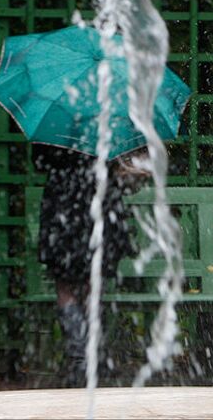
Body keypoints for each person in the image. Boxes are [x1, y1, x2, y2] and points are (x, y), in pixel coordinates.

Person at [33, 144, 146, 387]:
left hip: (65, 202)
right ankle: (90, 358)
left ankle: (81, 359)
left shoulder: (56, 123)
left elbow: (40, 162)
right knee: (89, 283)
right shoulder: (114, 117)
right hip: (96, 201)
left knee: (70, 285)